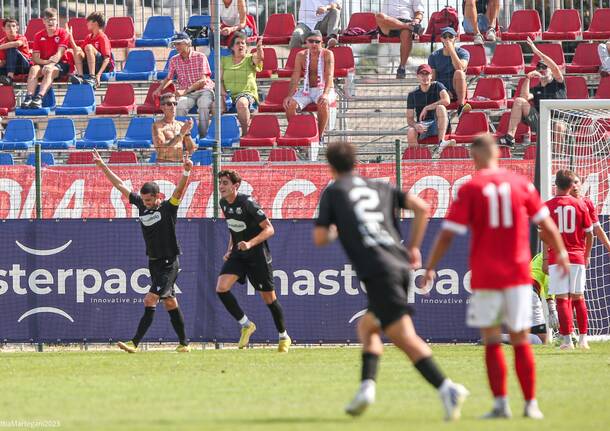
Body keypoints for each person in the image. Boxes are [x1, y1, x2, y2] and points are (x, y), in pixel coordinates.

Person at [313, 141, 469, 421]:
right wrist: (413, 247)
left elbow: (320, 238)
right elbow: (422, 207)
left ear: (331, 166)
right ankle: (366, 388)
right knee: (368, 326)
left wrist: (338, 230)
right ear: (355, 162)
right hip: (398, 265)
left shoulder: (334, 192)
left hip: (378, 270)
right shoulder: (380, 186)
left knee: (404, 337)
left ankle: (447, 388)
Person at [423, 133, 569, 419]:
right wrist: (561, 253)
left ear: (475, 156)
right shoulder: (521, 184)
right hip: (517, 273)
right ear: (498, 154)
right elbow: (546, 224)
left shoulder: (472, 188)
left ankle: (501, 404)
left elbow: (448, 234)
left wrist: (430, 267)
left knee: (491, 339)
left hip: (487, 274)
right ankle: (530, 404)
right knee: (520, 338)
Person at [92, 149, 193, 353]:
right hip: (154, 262)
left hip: (169, 262)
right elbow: (120, 185)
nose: (145, 203)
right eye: (144, 200)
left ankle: (134, 343)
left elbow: (179, 192)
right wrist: (103, 167)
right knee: (171, 302)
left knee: (150, 299)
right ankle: (184, 344)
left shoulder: (168, 208)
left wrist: (186, 172)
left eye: (149, 200)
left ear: (157, 197)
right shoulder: (140, 205)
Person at [215, 170, 291, 352]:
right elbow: (234, 228)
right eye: (220, 183)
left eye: (225, 183)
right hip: (238, 254)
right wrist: (229, 249)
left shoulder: (247, 202)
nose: (221, 186)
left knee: (269, 298)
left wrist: (249, 244)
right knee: (221, 288)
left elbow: (269, 229)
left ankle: (283, 336)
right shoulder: (223, 203)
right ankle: (246, 324)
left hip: (257, 255)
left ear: (236, 186)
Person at [544, 170, 593, 350]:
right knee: (579, 297)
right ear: (572, 185)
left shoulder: (547, 206)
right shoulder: (581, 205)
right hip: (577, 256)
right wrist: (586, 255)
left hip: (557, 257)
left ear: (555, 183)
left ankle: (566, 341)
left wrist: (546, 257)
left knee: (562, 299)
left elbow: (543, 234)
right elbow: (590, 234)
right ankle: (583, 340)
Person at [498, 37, 566, 147]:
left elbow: (554, 67)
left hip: (559, 120)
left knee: (559, 126)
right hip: (541, 121)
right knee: (519, 101)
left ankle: (557, 158)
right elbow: (523, 97)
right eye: (539, 68)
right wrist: (528, 77)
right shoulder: (536, 88)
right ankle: (509, 138)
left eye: (545, 67)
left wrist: (536, 51)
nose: (542, 70)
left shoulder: (558, 82)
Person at [154, 32, 214, 138]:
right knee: (180, 107)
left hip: (203, 90)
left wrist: (185, 91)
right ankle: (183, 138)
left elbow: (203, 81)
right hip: (188, 93)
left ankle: (202, 137)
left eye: (179, 44)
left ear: (187, 43)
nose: (176, 46)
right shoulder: (174, 60)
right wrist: (159, 89)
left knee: (203, 106)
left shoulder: (201, 56)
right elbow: (169, 78)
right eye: (175, 44)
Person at [284, 30, 335, 143]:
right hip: (307, 89)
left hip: (324, 88)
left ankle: (320, 137)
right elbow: (295, 77)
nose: (314, 44)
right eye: (311, 41)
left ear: (322, 42)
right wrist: (289, 96)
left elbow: (330, 75)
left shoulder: (328, 54)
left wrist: (326, 94)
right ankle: (296, 135)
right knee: (290, 104)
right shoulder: (301, 55)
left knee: (323, 102)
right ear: (306, 43)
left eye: (317, 42)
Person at [22, 8, 71, 109]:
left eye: (53, 19)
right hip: (45, 63)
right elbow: (35, 58)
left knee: (49, 70)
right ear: (43, 21)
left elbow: (59, 53)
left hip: (61, 64)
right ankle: (29, 97)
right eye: (47, 19)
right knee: (33, 69)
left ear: (57, 20)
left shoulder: (63, 33)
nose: (50, 22)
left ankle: (39, 98)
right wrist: (47, 62)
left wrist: (50, 64)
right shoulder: (38, 35)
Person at [406, 64, 455, 155]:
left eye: (427, 74)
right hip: (423, 126)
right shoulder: (412, 94)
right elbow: (409, 119)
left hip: (439, 123)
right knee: (411, 131)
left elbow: (447, 100)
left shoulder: (437, 85)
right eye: (422, 74)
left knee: (440, 107)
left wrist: (427, 107)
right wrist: (416, 125)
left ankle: (441, 143)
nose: (425, 77)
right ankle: (418, 159)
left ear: (431, 76)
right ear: (418, 76)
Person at [221, 33, 263, 135]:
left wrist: (259, 48)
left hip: (246, 93)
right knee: (215, 106)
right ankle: (221, 136)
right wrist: (222, 93)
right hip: (228, 95)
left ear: (247, 47)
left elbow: (259, 59)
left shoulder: (250, 58)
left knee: (242, 103)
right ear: (232, 47)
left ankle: (245, 133)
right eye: (237, 43)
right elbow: (219, 80)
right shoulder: (224, 60)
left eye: (243, 43)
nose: (241, 45)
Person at [375, 0, 424, 79]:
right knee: (379, 16)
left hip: (407, 20)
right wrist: (410, 26)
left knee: (406, 34)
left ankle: (402, 67)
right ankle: (409, 27)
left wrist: (416, 21)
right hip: (389, 22)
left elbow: (419, 12)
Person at [427, 27, 470, 116]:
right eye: (445, 36)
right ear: (441, 39)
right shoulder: (434, 56)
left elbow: (460, 68)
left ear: (455, 38)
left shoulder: (463, 52)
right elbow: (433, 79)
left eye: (450, 36)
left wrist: (451, 50)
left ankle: (461, 105)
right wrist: (444, 90)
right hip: (442, 91)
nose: (447, 39)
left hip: (457, 89)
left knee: (459, 73)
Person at [68, 11, 114, 87]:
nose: (87, 23)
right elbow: (80, 54)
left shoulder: (103, 37)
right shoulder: (89, 37)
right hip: (88, 66)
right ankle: (80, 77)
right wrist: (71, 38)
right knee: (78, 49)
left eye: (88, 21)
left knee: (89, 47)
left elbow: (107, 59)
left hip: (101, 68)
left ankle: (92, 77)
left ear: (95, 23)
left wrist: (98, 75)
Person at [152, 93, 198, 163]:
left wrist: (187, 133)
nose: (173, 106)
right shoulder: (157, 126)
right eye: (169, 104)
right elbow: (161, 149)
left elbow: (192, 150)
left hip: (180, 164)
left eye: (175, 103)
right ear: (162, 107)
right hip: (164, 164)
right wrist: (181, 133)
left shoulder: (181, 125)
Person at [572, 175, 610, 253]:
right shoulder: (559, 203)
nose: (574, 185)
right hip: (560, 251)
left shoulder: (587, 203)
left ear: (580, 183)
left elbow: (597, 229)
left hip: (580, 251)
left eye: (576, 182)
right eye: (570, 183)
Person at [0, 18, 31, 86]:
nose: (11, 28)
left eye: (13, 26)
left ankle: (9, 78)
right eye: (8, 26)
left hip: (24, 66)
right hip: (10, 66)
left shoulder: (22, 37)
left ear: (17, 28)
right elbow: (3, 62)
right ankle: (5, 78)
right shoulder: (2, 42)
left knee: (11, 49)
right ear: (3, 29)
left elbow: (17, 44)